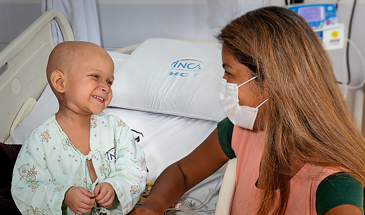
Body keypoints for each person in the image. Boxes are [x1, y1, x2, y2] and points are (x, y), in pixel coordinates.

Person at [130, 6, 365, 215]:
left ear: (272, 81)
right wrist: (152, 206)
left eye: (229, 73)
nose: (223, 81)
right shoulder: (240, 129)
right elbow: (182, 172)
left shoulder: (335, 182)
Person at [11, 41, 147, 215]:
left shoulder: (115, 128)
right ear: (60, 82)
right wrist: (64, 196)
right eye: (95, 77)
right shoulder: (41, 141)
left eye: (109, 81)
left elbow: (135, 168)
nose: (105, 87)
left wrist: (115, 186)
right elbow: (25, 189)